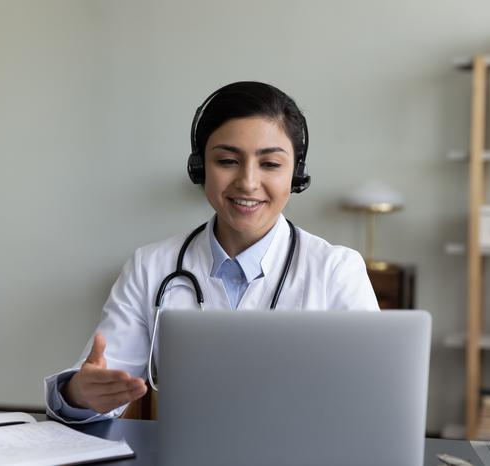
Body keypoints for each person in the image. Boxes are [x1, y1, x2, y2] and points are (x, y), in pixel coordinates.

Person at [44, 81, 379, 423]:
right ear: (200, 167)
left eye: (271, 164)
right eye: (227, 160)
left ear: (297, 173)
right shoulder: (151, 267)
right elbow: (97, 387)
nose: (248, 182)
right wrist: (81, 394)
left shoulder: (337, 271)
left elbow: (373, 400)